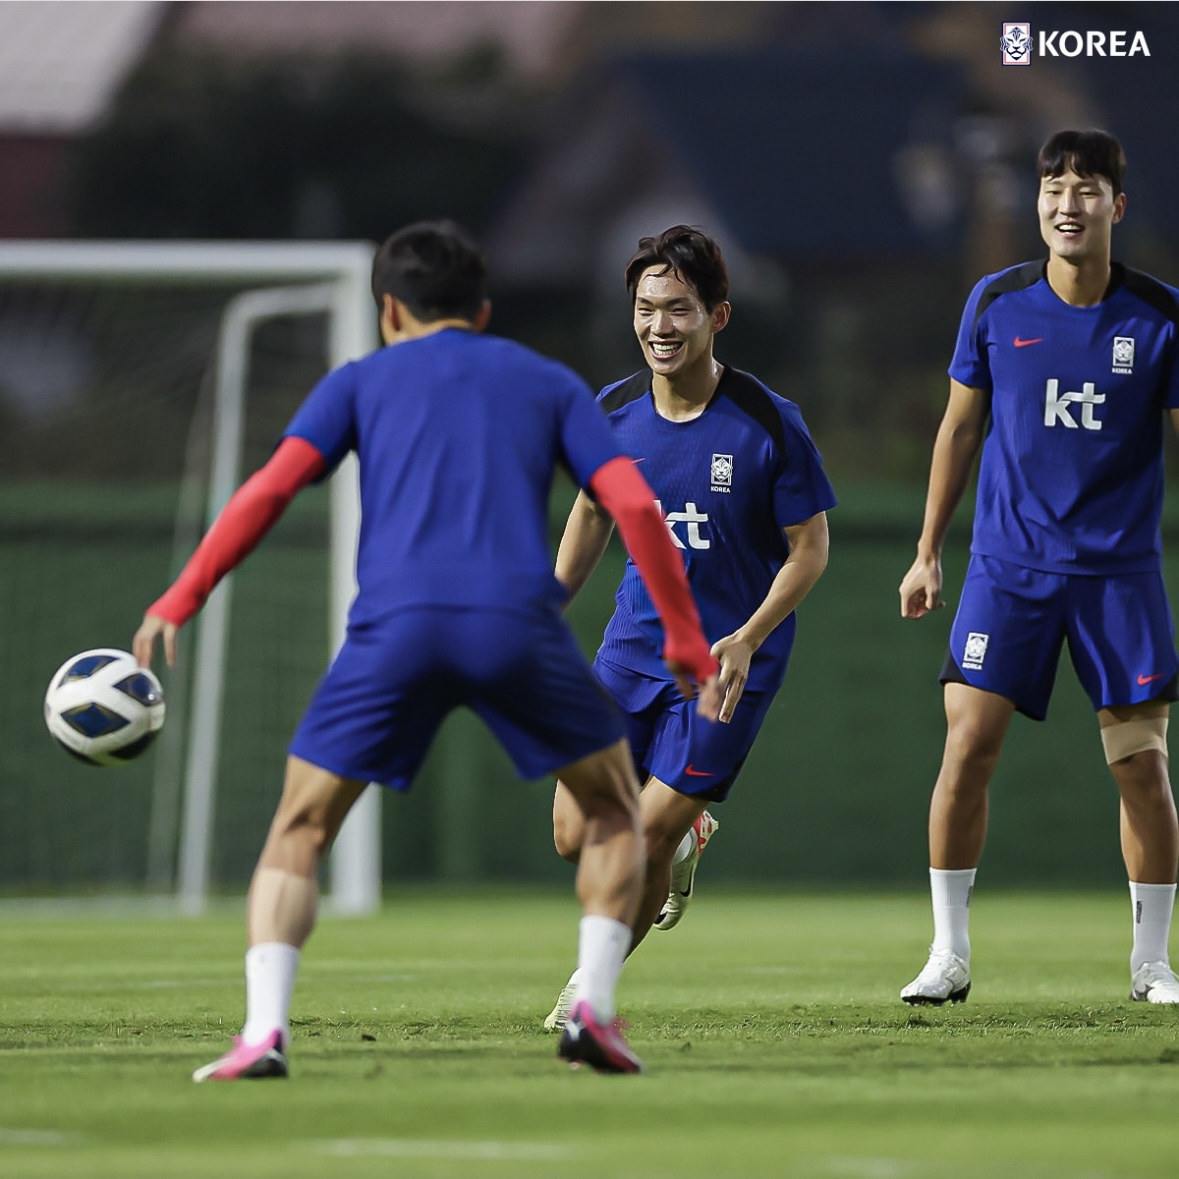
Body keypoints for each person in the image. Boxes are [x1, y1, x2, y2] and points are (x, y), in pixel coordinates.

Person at [133, 220, 721, 1079]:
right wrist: (683, 636)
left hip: (395, 629)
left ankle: (263, 1033)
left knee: (299, 828)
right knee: (612, 815)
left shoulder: (358, 381)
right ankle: (591, 1009)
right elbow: (632, 507)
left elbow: (269, 489)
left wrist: (180, 596)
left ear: (387, 311)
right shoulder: (545, 382)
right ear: (480, 312)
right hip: (515, 627)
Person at [898, 129, 1179, 1006]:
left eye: (1086, 188)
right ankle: (947, 954)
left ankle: (1151, 962)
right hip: (1007, 567)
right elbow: (958, 430)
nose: (1067, 202)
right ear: (1038, 204)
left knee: (1140, 766)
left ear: (1114, 207)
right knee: (967, 748)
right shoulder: (995, 302)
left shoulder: (1161, 317)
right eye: (1053, 187)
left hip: (1118, 576)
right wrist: (926, 551)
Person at [542, 225, 836, 1030]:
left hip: (727, 666)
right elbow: (591, 514)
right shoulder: (611, 413)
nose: (658, 326)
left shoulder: (767, 422)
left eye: (678, 308)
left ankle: (590, 988)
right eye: (646, 308)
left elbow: (810, 549)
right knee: (573, 833)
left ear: (717, 316)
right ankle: (687, 831)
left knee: (637, 836)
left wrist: (747, 636)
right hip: (632, 650)